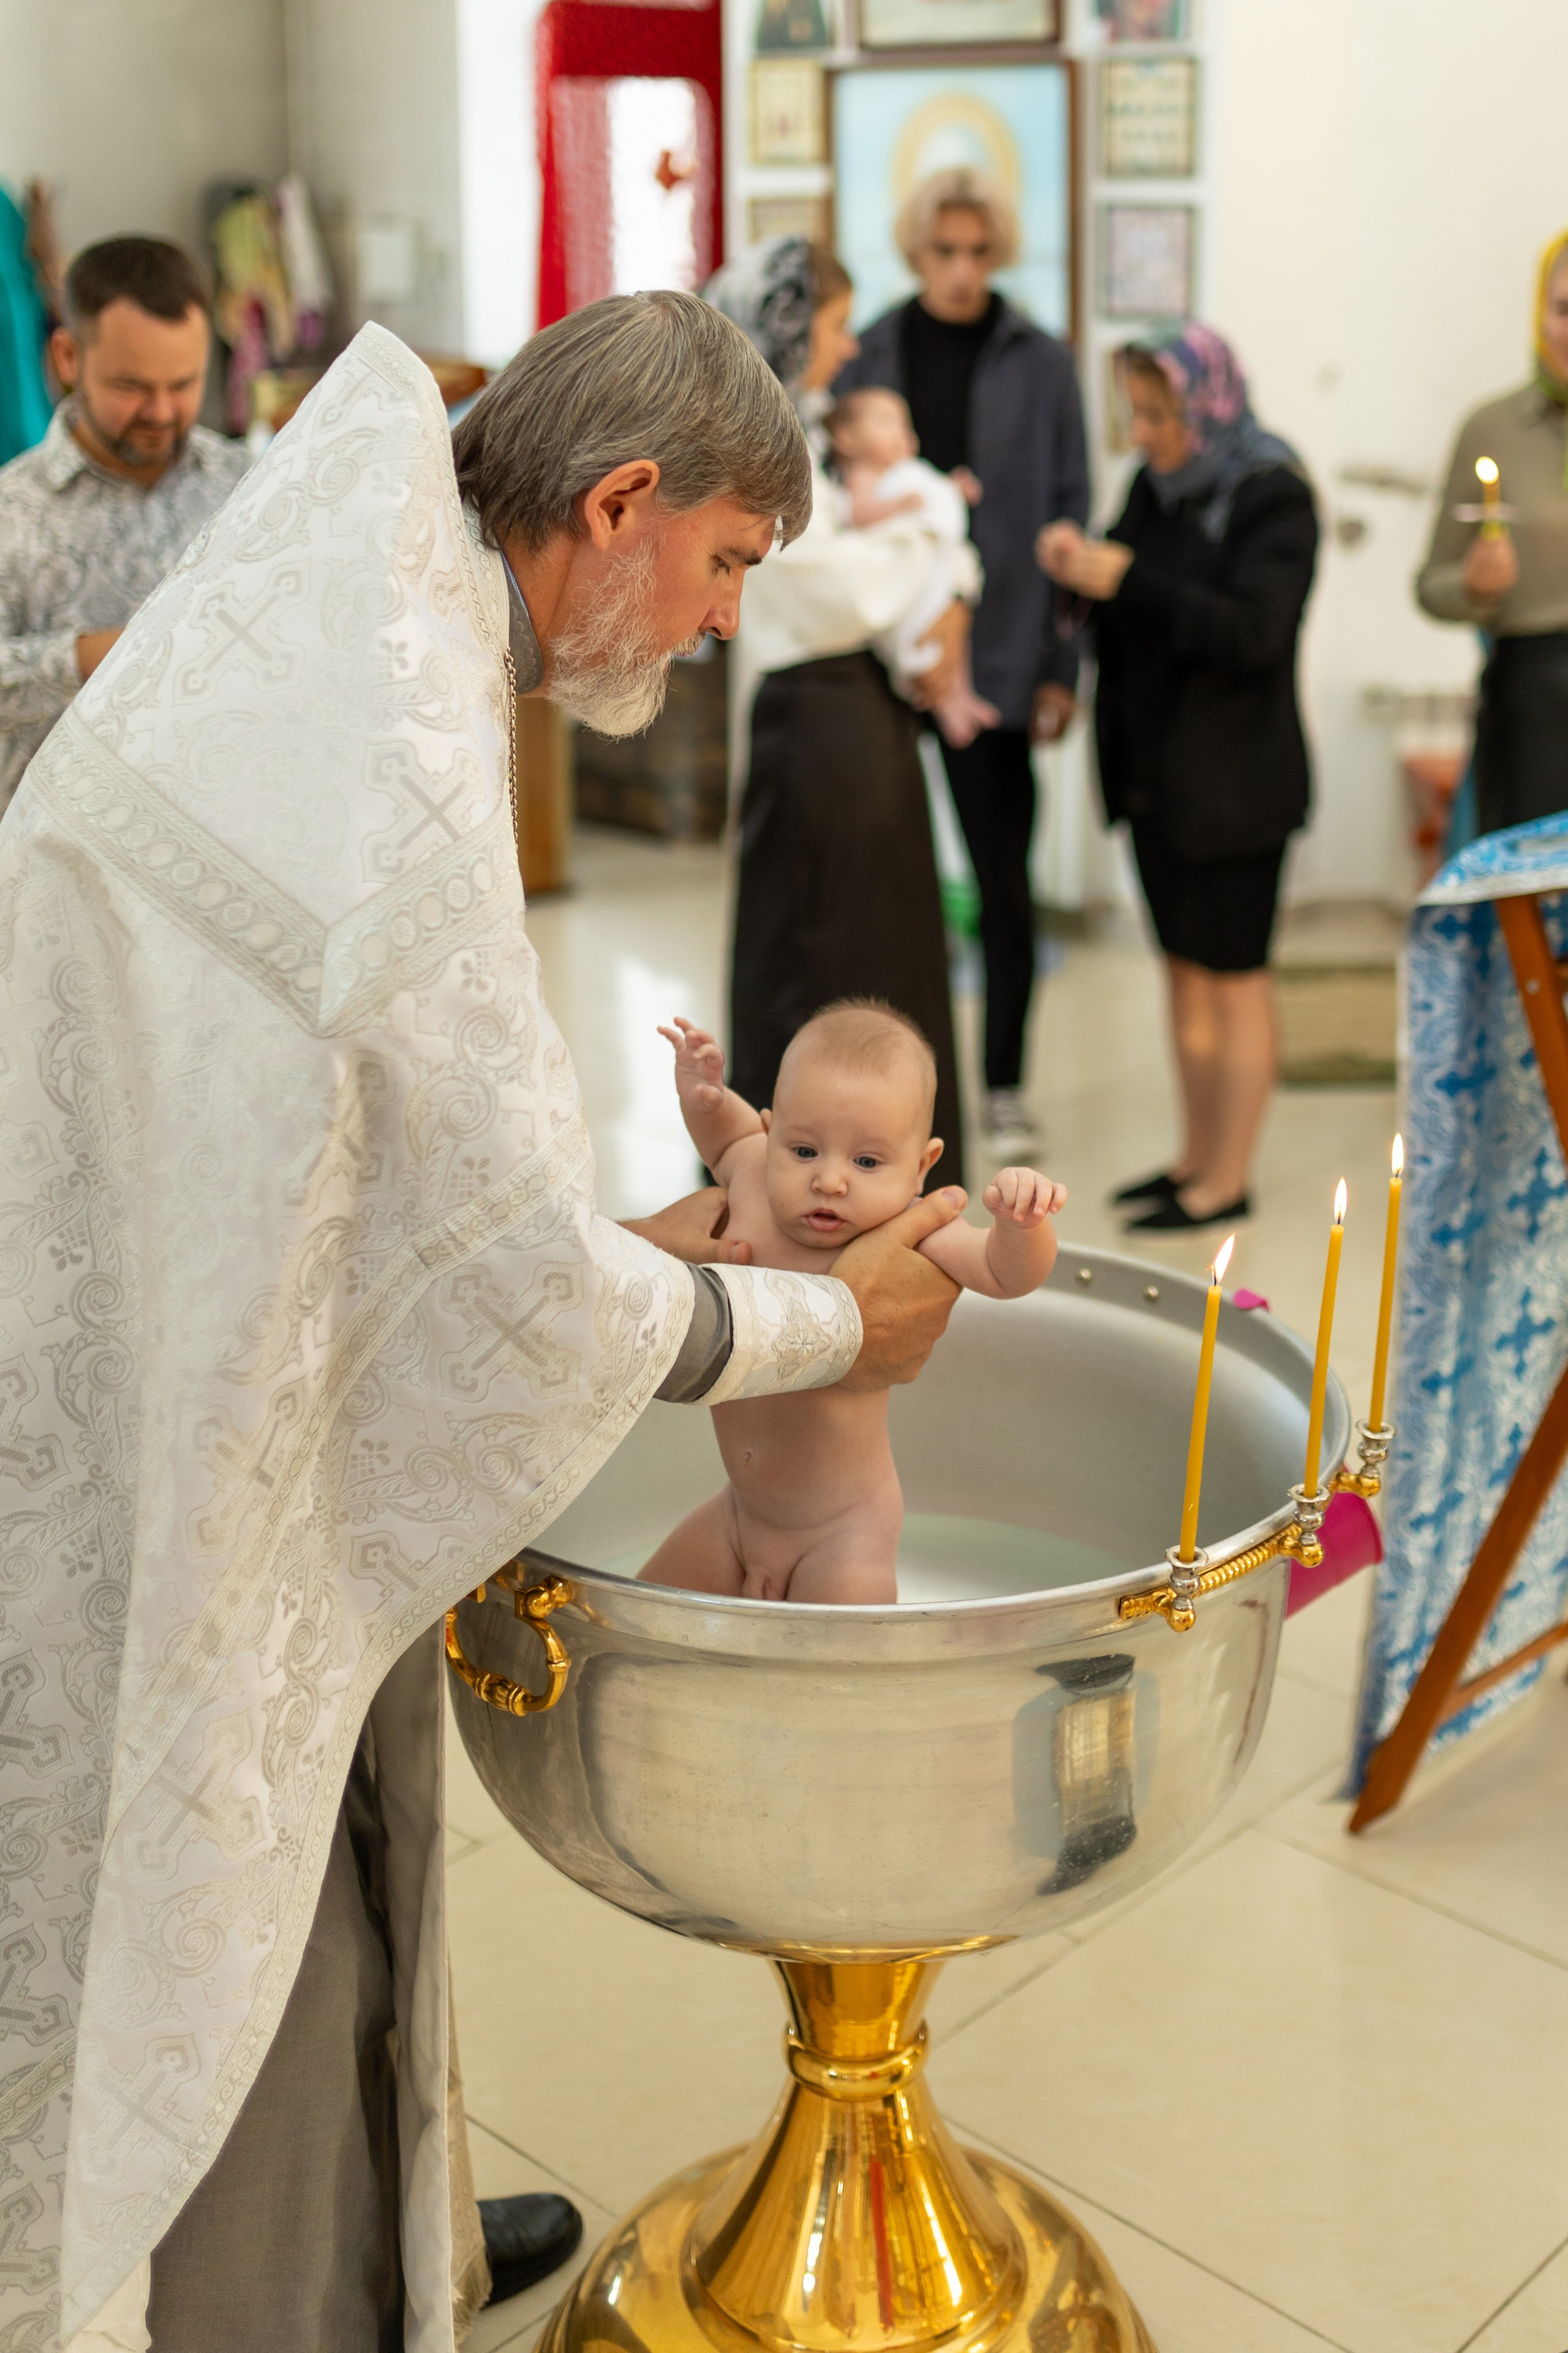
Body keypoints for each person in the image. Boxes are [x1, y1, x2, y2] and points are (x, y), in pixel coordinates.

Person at [1, 299, 969, 2353]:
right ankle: (296, 2298)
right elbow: (523, 1293)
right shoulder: (411, 748)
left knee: (315, 1879)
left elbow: (391, 1175)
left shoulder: (370, 582)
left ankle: (398, 2238)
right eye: (723, 562)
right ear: (617, 506)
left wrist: (599, 1241)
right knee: (261, 1906)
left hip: (153, 1318)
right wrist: (824, 1323)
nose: (720, 621)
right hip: (183, 1426)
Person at [832, 168, 1091, 1152]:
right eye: (944, 251)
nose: (962, 270)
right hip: (884, 657)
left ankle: (1006, 1086)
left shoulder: (1044, 361)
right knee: (882, 881)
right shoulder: (870, 353)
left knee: (1002, 883)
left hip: (1006, 657)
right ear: (916, 251)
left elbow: (1071, 512)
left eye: (980, 252)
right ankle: (876, 1095)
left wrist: (1064, 668)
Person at [1039, 324, 1317, 1232]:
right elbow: (1125, 604)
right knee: (1184, 975)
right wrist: (1079, 571)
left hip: (1236, 786)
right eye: (1137, 413)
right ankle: (1194, 1156)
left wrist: (1129, 581)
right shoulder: (1153, 489)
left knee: (1234, 979)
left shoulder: (1274, 495)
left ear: (1209, 404)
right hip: (1156, 777)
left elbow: (1253, 633)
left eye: (1162, 415)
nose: (1146, 434)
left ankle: (1227, 1180)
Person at [641, 1005, 1065, 1601]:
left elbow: (1003, 1274)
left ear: (921, 1166)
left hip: (843, 1535)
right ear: (771, 1134)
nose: (830, 1180)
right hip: (739, 1516)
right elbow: (728, 1136)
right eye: (804, 1151)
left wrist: (1023, 1225)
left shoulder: (907, 1229)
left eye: (867, 1161)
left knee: (841, 1658)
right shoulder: (752, 1174)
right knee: (638, 1617)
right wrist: (704, 1097)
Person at [708, 235, 968, 1194]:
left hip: (858, 723)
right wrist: (935, 548)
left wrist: (949, 580)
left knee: (885, 960)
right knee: (815, 962)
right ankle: (800, 1190)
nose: (850, 347)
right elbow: (836, 589)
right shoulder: (754, 452)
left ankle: (890, 1184)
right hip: (817, 727)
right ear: (787, 328)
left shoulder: (812, 435)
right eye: (835, 324)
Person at [0, 235, 250, 817]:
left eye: (183, 384)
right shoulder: (11, 510)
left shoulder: (250, 485)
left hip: (223, 835)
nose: (160, 412)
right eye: (130, 386)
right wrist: (91, 656)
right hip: (57, 850)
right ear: (68, 358)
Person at [1416, 229, 1568, 836]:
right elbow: (1431, 586)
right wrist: (1475, 588)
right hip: (1534, 705)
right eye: (1564, 308)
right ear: (1540, 312)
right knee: (1534, 881)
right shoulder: (1492, 429)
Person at [824, 386, 994, 746]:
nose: (900, 432)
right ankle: (948, 709)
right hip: (901, 581)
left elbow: (933, 493)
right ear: (847, 439)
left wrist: (952, 488)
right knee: (924, 640)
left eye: (904, 424)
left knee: (956, 637)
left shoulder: (908, 472)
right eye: (885, 423)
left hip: (935, 571)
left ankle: (964, 696)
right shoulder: (861, 475)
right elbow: (857, 514)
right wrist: (899, 506)